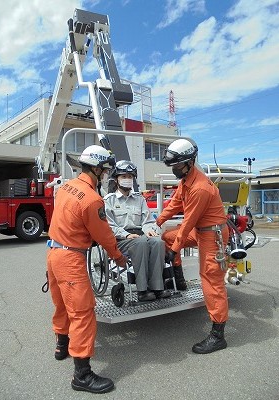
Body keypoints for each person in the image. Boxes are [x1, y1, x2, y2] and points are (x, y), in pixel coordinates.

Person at [47, 145, 128, 394]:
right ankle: (82, 375)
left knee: (62, 304)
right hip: (71, 259)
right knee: (82, 313)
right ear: (95, 168)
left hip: (53, 253)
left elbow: (69, 219)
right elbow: (104, 235)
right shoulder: (93, 199)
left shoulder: (66, 188)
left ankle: (62, 345)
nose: (105, 176)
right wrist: (118, 257)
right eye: (104, 172)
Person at [155, 138, 229, 354]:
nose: (175, 170)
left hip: (212, 236)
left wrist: (175, 250)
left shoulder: (200, 188)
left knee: (211, 280)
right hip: (201, 232)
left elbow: (189, 222)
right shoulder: (185, 182)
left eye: (177, 166)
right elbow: (174, 204)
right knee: (167, 236)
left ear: (190, 162)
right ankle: (180, 280)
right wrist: (156, 222)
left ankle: (218, 335)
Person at [104, 160, 170, 302]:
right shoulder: (109, 200)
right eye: (124, 176)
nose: (127, 180)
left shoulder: (139, 199)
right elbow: (109, 226)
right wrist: (126, 234)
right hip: (121, 240)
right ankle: (142, 290)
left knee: (158, 242)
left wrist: (149, 230)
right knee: (140, 243)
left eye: (130, 177)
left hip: (140, 237)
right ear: (116, 179)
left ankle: (157, 287)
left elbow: (147, 221)